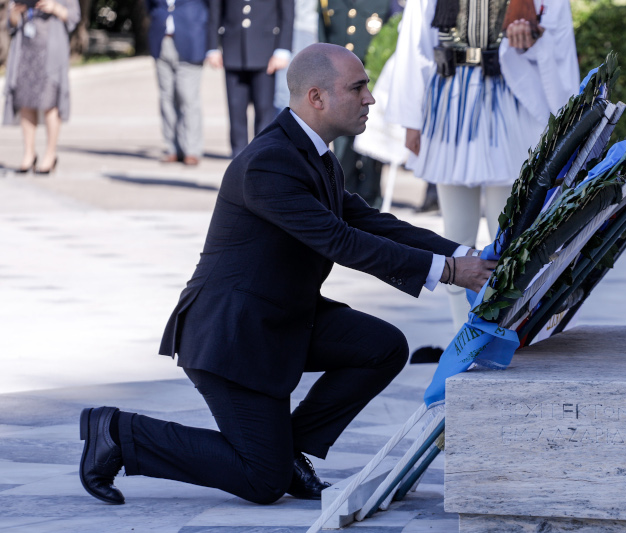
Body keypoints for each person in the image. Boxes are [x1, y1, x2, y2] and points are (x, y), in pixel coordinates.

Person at [78, 43, 496, 506]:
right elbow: (341, 242)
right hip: (233, 337)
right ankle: (117, 432)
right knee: (263, 480)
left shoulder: (313, 153)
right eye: (357, 88)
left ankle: (288, 449)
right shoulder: (270, 162)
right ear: (316, 97)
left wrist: (466, 253)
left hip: (282, 318)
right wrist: (451, 271)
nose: (370, 99)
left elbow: (370, 222)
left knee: (382, 348)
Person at [384, 0, 579, 331]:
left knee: (513, 230)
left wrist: (530, 40)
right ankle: (464, 333)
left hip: (511, 101)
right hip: (450, 100)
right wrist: (410, 119)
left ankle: (508, 326)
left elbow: (557, 39)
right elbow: (415, 41)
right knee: (457, 231)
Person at [317, 0, 393, 208]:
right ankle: (344, 202)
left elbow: (392, 38)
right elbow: (323, 44)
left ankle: (371, 204)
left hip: (373, 87)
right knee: (342, 153)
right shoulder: (328, 3)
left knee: (371, 154)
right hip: (340, 90)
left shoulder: (385, 4)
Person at [206, 0, 294, 157]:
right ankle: (238, 159)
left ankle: (263, 157)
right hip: (233, 47)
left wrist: (283, 48)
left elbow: (287, 13)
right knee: (235, 108)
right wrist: (212, 47)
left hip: (266, 49)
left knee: (264, 109)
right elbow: (215, 11)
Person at [2, 0, 80, 175]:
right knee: (25, 101)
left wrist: (55, 8)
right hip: (25, 51)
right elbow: (10, 23)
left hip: (51, 53)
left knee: (50, 102)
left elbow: (74, 18)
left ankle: (49, 155)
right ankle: (29, 154)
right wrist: (15, 14)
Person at [147, 0, 213, 166]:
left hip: (191, 40)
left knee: (188, 98)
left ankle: (192, 149)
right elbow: (150, 5)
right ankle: (172, 148)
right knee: (166, 98)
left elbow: (212, 8)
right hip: (161, 40)